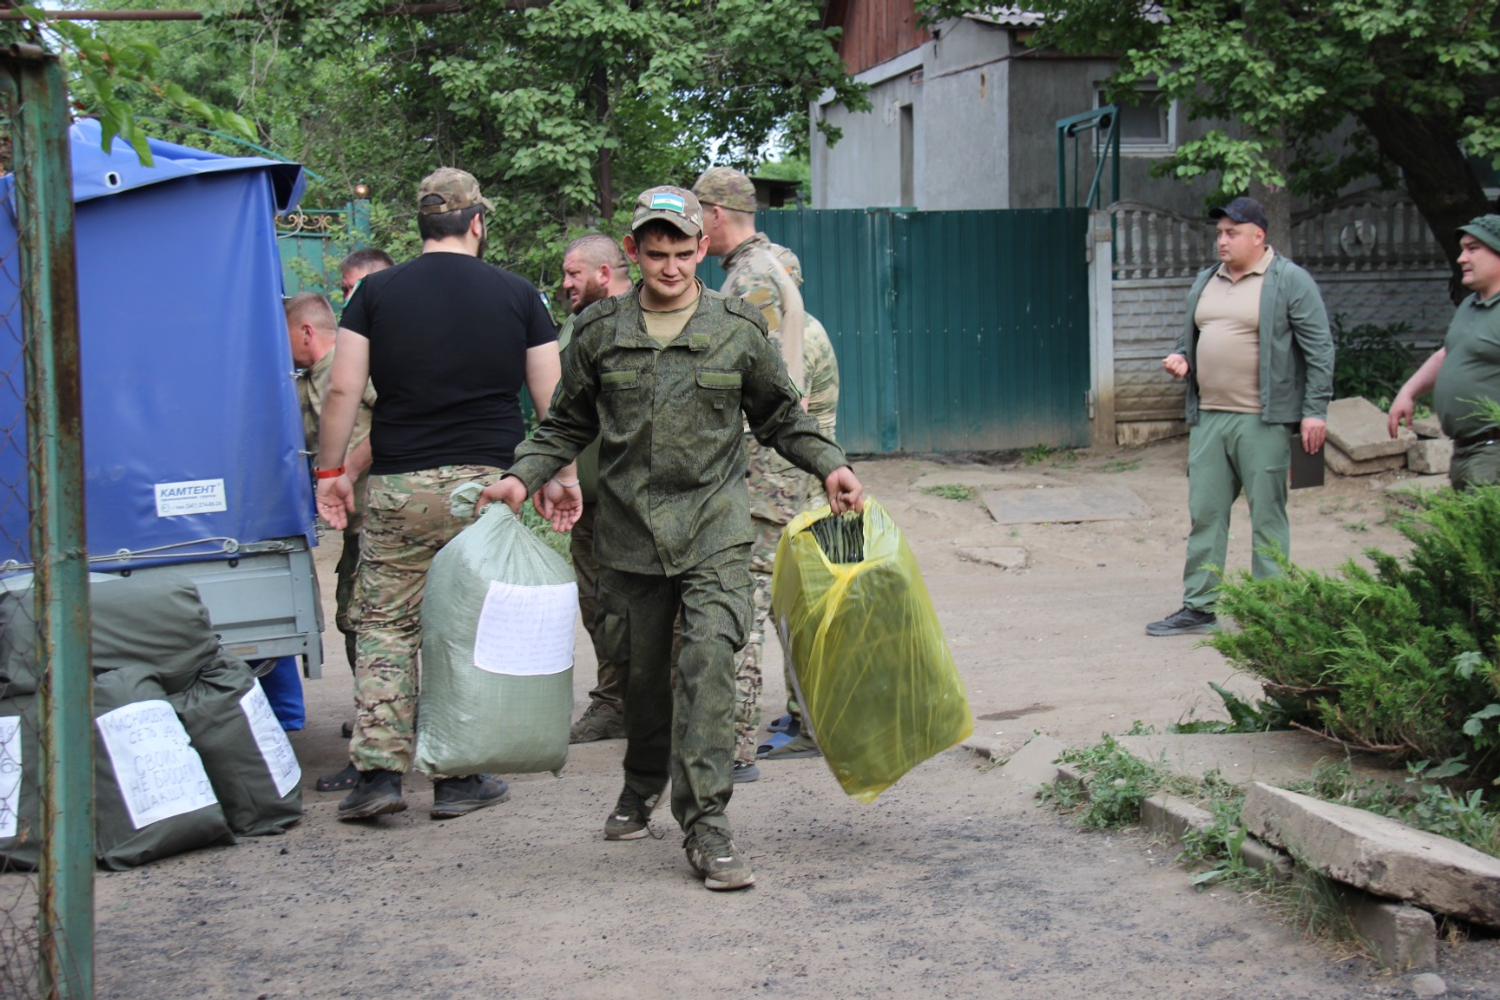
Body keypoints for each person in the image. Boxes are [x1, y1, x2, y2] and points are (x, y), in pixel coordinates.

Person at [478, 186, 863, 891]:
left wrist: (831, 464)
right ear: (633, 252)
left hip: (714, 529)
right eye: (656, 254)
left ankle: (708, 824)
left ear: (701, 248)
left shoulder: (735, 328)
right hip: (630, 536)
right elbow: (565, 424)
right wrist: (521, 476)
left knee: (709, 665)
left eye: (684, 253)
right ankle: (641, 782)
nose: (671, 267)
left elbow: (782, 417)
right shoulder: (600, 331)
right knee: (644, 680)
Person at [315, 167, 575, 821]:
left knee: (385, 626)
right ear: (477, 223)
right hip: (489, 489)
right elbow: (554, 398)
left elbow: (343, 388)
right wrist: (562, 477)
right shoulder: (520, 295)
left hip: (400, 485)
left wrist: (331, 472)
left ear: (421, 225)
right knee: (469, 624)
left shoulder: (374, 293)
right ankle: (458, 778)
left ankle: (378, 776)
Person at [1146, 196, 1334, 637]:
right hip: (1209, 417)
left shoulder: (1289, 280)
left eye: (1232, 233)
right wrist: (1182, 358)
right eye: (1219, 233)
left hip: (1262, 421)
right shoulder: (1206, 280)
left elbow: (1319, 349)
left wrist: (1314, 411)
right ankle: (1199, 607)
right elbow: (1191, 337)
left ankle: (1270, 611)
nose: (1222, 241)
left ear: (1258, 236)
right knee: (1205, 513)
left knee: (1267, 516)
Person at [692, 167, 819, 774]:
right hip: (776, 464)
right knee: (777, 600)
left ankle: (732, 747)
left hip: (758, 467)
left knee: (739, 598)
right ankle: (807, 719)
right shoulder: (774, 264)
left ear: (715, 213)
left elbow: (745, 380)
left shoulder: (750, 280)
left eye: (698, 216)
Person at [284, 292, 380, 792]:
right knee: (355, 620)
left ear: (306, 332)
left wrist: (348, 469)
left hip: (379, 518)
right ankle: (378, 720)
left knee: (367, 625)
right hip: (357, 524)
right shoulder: (308, 378)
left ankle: (382, 734)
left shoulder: (352, 365)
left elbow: (398, 416)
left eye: (284, 337)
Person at [557, 233, 634, 743]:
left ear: (604, 273)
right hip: (585, 502)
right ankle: (614, 703)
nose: (566, 284)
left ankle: (668, 706)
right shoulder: (575, 324)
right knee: (598, 607)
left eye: (574, 274)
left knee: (650, 608)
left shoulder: (641, 319)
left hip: (633, 502)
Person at [1388, 214, 1500, 489]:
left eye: (1473, 249)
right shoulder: (1470, 305)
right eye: (1462, 250)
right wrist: (1409, 391)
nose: (1462, 258)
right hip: (1464, 451)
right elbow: (1449, 354)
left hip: (1493, 452)